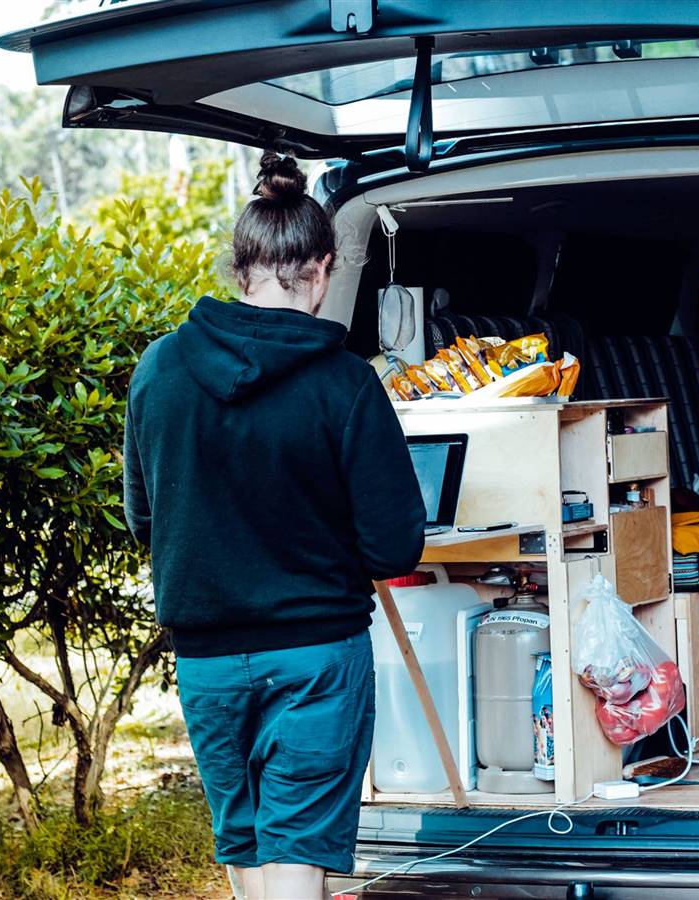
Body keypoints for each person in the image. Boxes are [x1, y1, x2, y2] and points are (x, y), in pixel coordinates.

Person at [122, 151, 427, 900]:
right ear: (321, 271)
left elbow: (143, 520)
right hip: (315, 657)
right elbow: (394, 548)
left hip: (206, 661)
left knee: (251, 848)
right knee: (295, 851)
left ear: (240, 268)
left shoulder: (159, 370)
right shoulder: (345, 382)